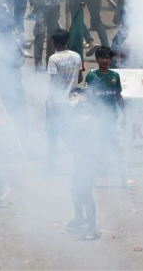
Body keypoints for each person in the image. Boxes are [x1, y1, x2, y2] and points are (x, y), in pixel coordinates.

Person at [83, 46, 135, 189]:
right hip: (97, 122)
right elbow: (88, 98)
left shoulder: (114, 76)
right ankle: (88, 179)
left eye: (107, 58)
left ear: (111, 59)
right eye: (102, 58)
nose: (105, 60)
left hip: (112, 121)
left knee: (120, 151)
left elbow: (118, 97)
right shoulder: (92, 77)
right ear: (97, 59)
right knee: (95, 151)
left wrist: (124, 115)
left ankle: (124, 179)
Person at [66, 87, 101, 239]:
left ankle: (93, 229)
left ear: (84, 98)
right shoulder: (74, 112)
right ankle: (79, 217)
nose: (73, 99)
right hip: (80, 158)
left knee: (86, 192)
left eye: (76, 96)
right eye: (71, 97)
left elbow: (88, 127)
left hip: (90, 157)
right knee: (75, 189)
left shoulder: (88, 111)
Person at [46, 29, 84, 167]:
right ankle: (78, 157)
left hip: (58, 101)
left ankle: (52, 164)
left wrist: (49, 101)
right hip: (73, 100)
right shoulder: (76, 56)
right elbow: (79, 78)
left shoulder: (53, 59)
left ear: (55, 43)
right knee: (70, 130)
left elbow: (54, 83)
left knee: (54, 133)